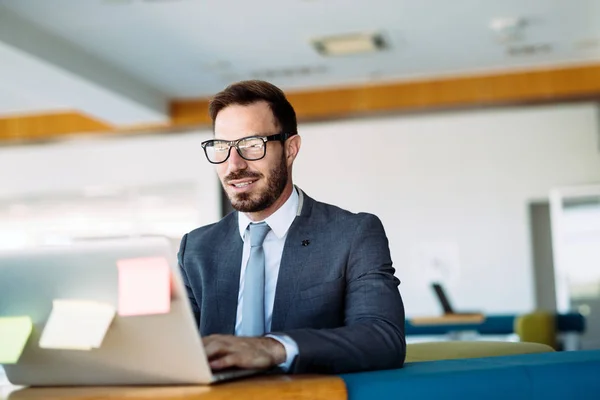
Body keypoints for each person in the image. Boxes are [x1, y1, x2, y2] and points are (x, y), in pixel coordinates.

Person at [178, 80, 406, 374]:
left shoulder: (353, 234)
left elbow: (383, 339)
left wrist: (273, 348)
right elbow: (176, 349)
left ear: (290, 149)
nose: (233, 164)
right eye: (221, 146)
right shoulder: (196, 248)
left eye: (251, 145)